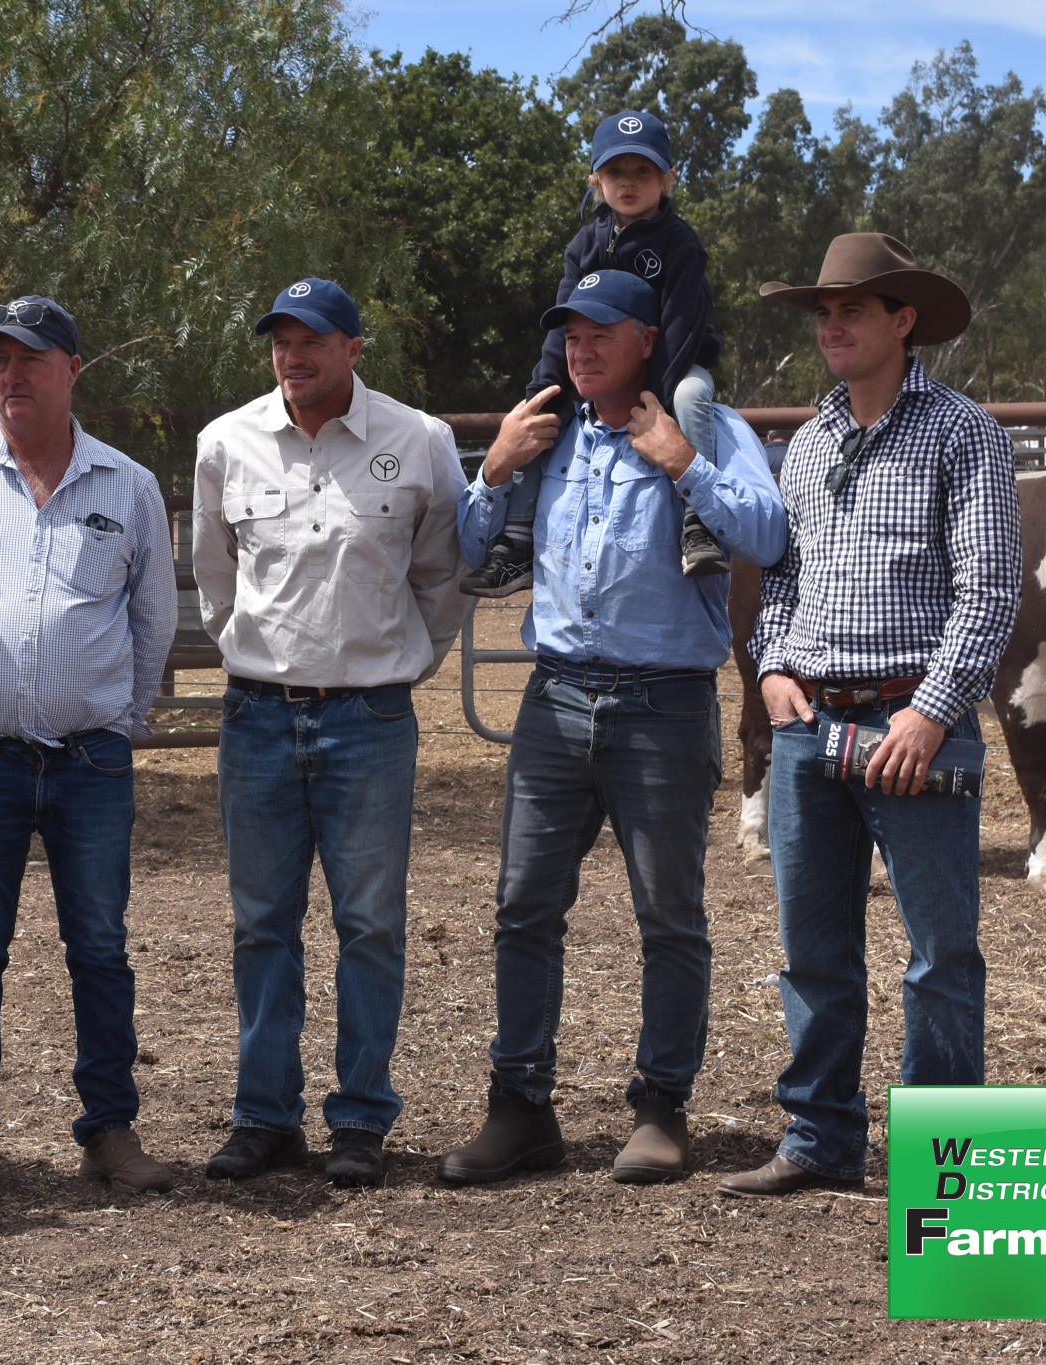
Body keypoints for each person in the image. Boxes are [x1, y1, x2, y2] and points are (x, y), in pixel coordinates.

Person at [442, 269, 786, 1186]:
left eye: (600, 332)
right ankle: (520, 1107)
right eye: (571, 333)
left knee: (668, 915)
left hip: (663, 704)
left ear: (645, 338)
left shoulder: (708, 429)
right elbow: (474, 558)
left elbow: (767, 531)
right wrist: (494, 469)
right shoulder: (545, 440)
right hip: (555, 697)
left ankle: (662, 1107)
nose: (580, 347)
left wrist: (683, 461)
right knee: (523, 907)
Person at [725, 233, 1020, 1197]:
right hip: (812, 721)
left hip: (911, 722)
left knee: (940, 952)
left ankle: (943, 1167)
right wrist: (772, 670)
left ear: (905, 320)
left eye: (852, 307)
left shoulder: (963, 432)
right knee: (813, 947)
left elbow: (989, 591)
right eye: (824, 309)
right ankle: (820, 1138)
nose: (831, 324)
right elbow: (783, 580)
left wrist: (933, 713)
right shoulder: (804, 444)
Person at [0, 295, 179, 1199]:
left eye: (30, 358)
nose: (10, 375)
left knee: (99, 943)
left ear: (72, 370)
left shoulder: (126, 485)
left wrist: (117, 718)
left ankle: (109, 1124)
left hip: (92, 758)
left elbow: (153, 619)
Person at [193, 278, 468, 1188]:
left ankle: (359, 1118)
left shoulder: (419, 441)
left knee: (371, 926)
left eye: (313, 339)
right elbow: (216, 580)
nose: (293, 355)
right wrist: (256, 657)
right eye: (280, 339)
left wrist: (399, 666)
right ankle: (264, 1116)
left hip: (371, 719)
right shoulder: (225, 444)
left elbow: (443, 576)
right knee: (262, 925)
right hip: (258, 713)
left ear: (355, 347)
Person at [463, 109, 729, 598]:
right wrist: (543, 389)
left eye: (643, 171)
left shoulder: (681, 244)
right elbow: (563, 323)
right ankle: (518, 538)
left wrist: (654, 397)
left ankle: (700, 523)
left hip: (674, 364)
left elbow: (679, 326)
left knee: (693, 395)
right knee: (543, 412)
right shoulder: (585, 242)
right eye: (615, 172)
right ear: (595, 179)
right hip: (605, 367)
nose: (628, 182)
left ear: (669, 178)